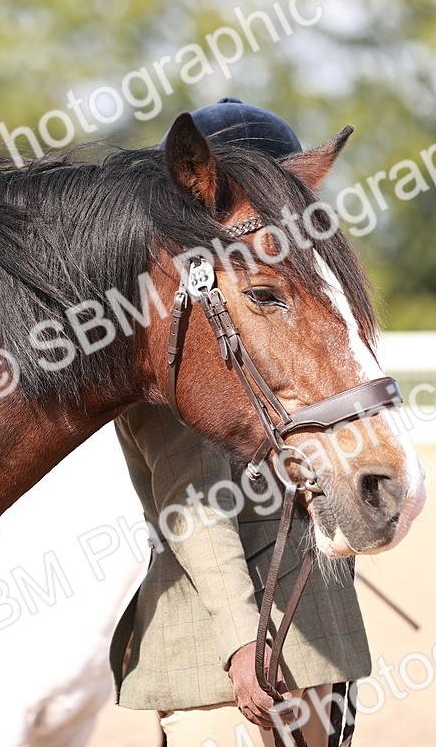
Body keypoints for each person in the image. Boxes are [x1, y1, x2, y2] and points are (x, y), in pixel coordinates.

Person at [109, 99, 368, 747]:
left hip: (310, 634)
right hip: (228, 656)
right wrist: (238, 647)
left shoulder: (267, 317)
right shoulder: (181, 340)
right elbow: (192, 503)